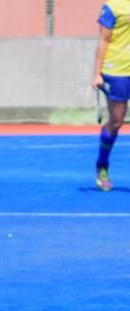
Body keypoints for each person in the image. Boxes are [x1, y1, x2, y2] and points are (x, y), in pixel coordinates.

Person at [92, 1, 130, 192]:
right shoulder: (113, 6)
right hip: (117, 70)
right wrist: (96, 73)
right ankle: (102, 165)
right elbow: (103, 40)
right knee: (116, 121)